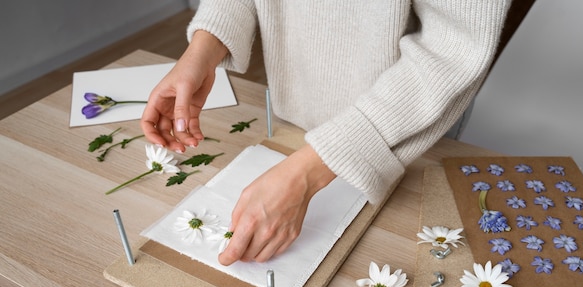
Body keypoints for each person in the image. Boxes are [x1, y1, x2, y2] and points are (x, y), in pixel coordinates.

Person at [141, 0, 511, 266]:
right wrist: (204, 46)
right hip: (296, 121)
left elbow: (455, 49)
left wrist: (305, 175)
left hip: (406, 125)